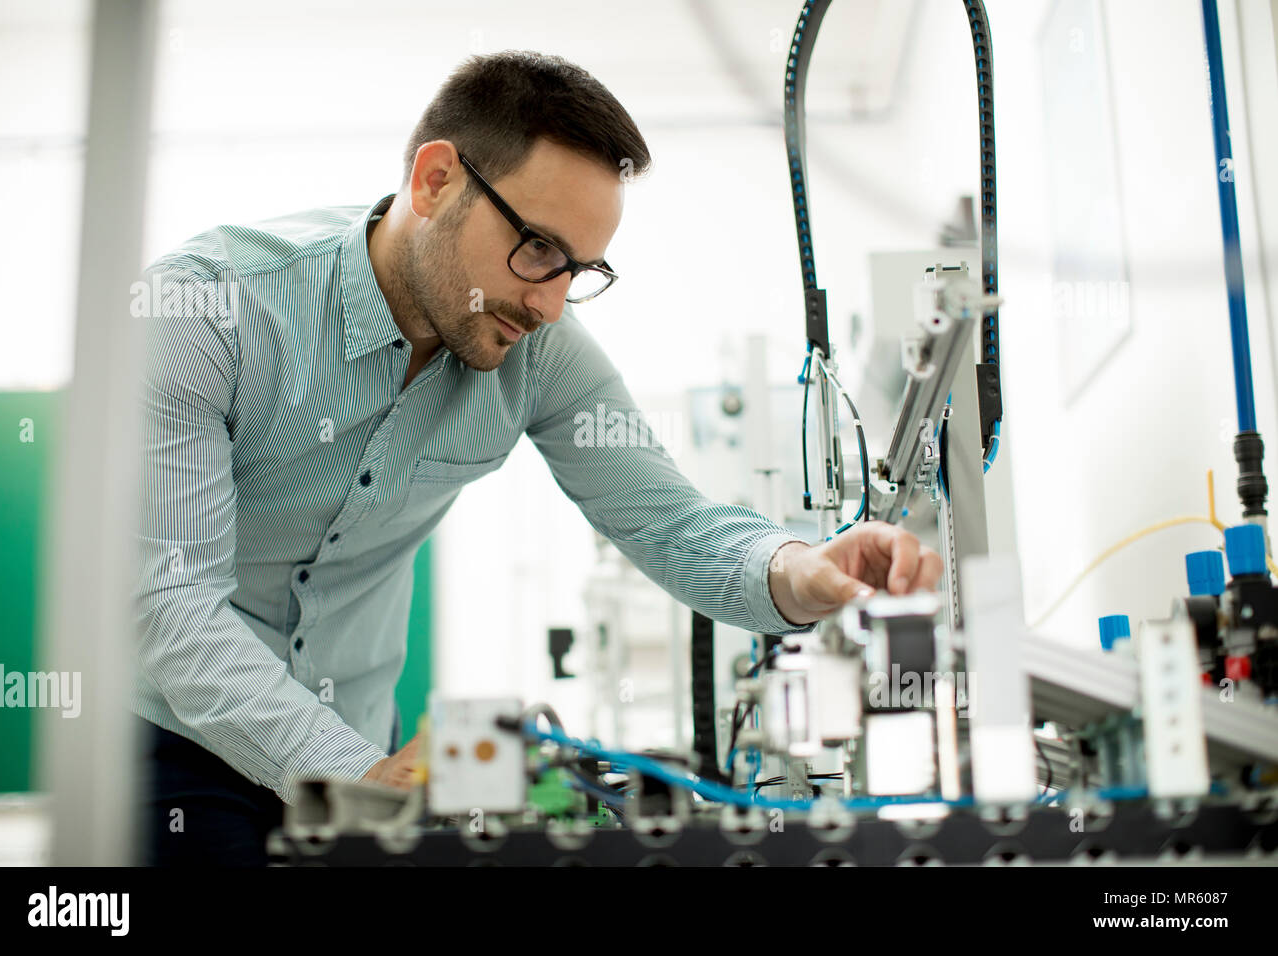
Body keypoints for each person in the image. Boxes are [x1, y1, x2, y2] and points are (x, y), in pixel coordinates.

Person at [132, 50, 942, 866]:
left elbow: (672, 525)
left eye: (581, 270)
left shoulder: (541, 349)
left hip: (359, 735)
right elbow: (174, 605)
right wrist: (357, 774)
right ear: (435, 180)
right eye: (537, 248)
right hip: (182, 738)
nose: (551, 302)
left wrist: (799, 570)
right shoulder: (209, 311)